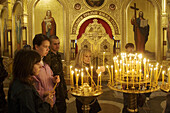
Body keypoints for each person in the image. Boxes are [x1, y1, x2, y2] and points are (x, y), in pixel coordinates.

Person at [33, 34, 60, 113]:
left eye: (48, 47)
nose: (48, 49)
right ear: (36, 47)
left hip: (51, 102)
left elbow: (49, 77)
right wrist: (45, 93)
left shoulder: (45, 62)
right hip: (41, 105)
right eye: (45, 47)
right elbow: (32, 90)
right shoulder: (32, 65)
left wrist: (54, 79)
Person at [74, 48, 105, 113]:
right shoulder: (77, 68)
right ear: (81, 57)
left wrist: (98, 73)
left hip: (91, 96)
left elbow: (94, 82)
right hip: (82, 97)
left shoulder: (89, 67)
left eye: (90, 56)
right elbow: (83, 82)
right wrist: (97, 72)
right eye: (86, 56)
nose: (88, 58)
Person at [44, 35, 68, 113]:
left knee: (63, 107)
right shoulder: (47, 57)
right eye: (55, 44)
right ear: (50, 44)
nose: (57, 46)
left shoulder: (58, 55)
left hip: (61, 86)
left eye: (58, 43)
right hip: (53, 85)